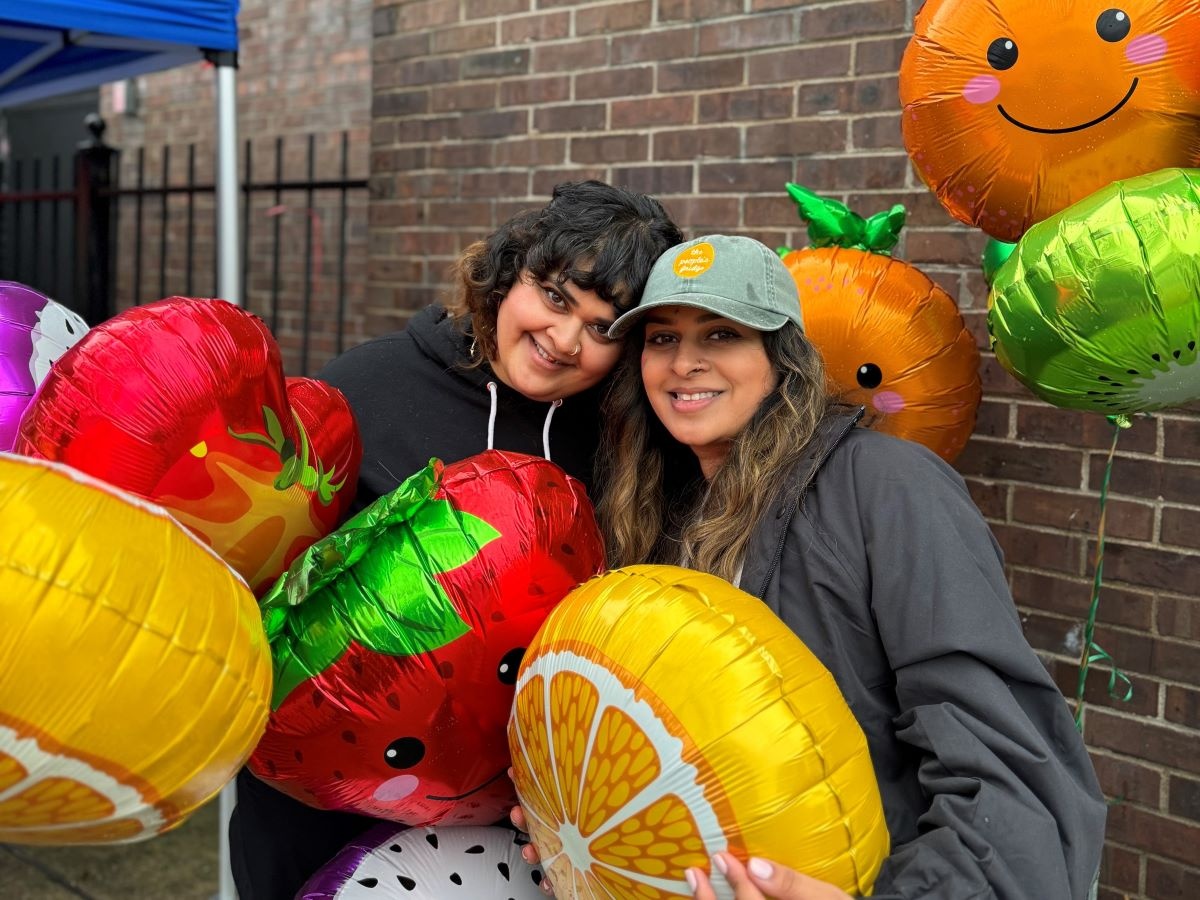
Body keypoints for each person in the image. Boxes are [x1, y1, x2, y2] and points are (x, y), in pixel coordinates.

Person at [516, 234, 1107, 899]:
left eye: (721, 335)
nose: (685, 363)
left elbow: (1013, 776)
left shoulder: (887, 488)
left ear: (781, 357)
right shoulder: (656, 515)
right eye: (661, 339)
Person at [228, 180, 684, 900]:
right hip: (320, 799)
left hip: (510, 824)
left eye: (603, 329)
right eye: (557, 298)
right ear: (508, 275)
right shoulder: (368, 385)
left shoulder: (622, 447)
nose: (565, 339)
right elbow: (259, 581)